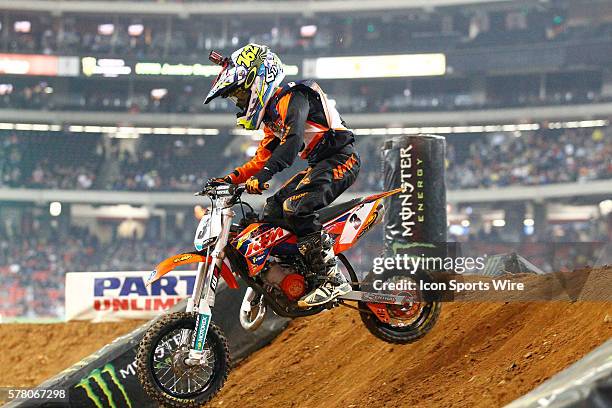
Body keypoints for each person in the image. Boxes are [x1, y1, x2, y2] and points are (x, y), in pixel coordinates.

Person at [204, 43, 360, 308]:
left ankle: (332, 277)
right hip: (319, 165)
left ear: (258, 80)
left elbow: (291, 142)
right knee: (273, 207)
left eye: (240, 95)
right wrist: (232, 179)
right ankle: (290, 272)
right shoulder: (272, 117)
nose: (239, 102)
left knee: (296, 207)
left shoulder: (295, 97)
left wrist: (264, 175)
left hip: (341, 159)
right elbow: (262, 158)